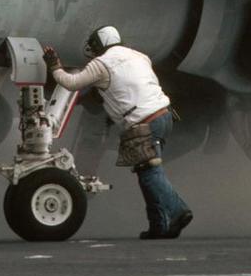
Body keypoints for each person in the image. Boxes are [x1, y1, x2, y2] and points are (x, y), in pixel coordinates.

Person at [43, 26, 193, 239]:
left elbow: (71, 83)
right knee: (147, 172)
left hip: (143, 123)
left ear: (100, 45)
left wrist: (55, 65)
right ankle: (159, 226)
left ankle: (178, 211)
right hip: (164, 116)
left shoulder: (100, 64)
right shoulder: (139, 56)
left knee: (150, 174)